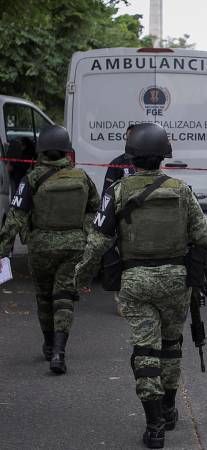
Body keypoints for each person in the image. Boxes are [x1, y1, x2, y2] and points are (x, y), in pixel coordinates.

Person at [74, 123, 207, 449]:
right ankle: (168, 407)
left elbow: (97, 242)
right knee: (171, 345)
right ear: (164, 156)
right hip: (177, 283)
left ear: (131, 156)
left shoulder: (117, 191)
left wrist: (80, 278)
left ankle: (154, 426)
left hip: (136, 283)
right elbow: (205, 238)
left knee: (145, 350)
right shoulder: (182, 190)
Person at [0, 125, 100, 374]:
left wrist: (3, 248)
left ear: (40, 150)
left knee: (44, 298)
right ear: (67, 150)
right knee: (64, 297)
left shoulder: (32, 178)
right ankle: (59, 350)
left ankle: (47, 344)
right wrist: (85, 232)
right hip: (74, 246)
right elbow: (95, 208)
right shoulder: (81, 177)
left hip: (41, 247)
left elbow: (16, 216)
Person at [103, 123, 137, 316]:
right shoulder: (117, 163)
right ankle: (121, 302)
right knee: (120, 262)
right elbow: (106, 195)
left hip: (143, 223)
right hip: (121, 222)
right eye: (128, 136)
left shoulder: (147, 162)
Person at [102, 124, 137, 196]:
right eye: (128, 139)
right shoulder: (116, 163)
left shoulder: (149, 162)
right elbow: (107, 193)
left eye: (133, 138)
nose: (129, 142)